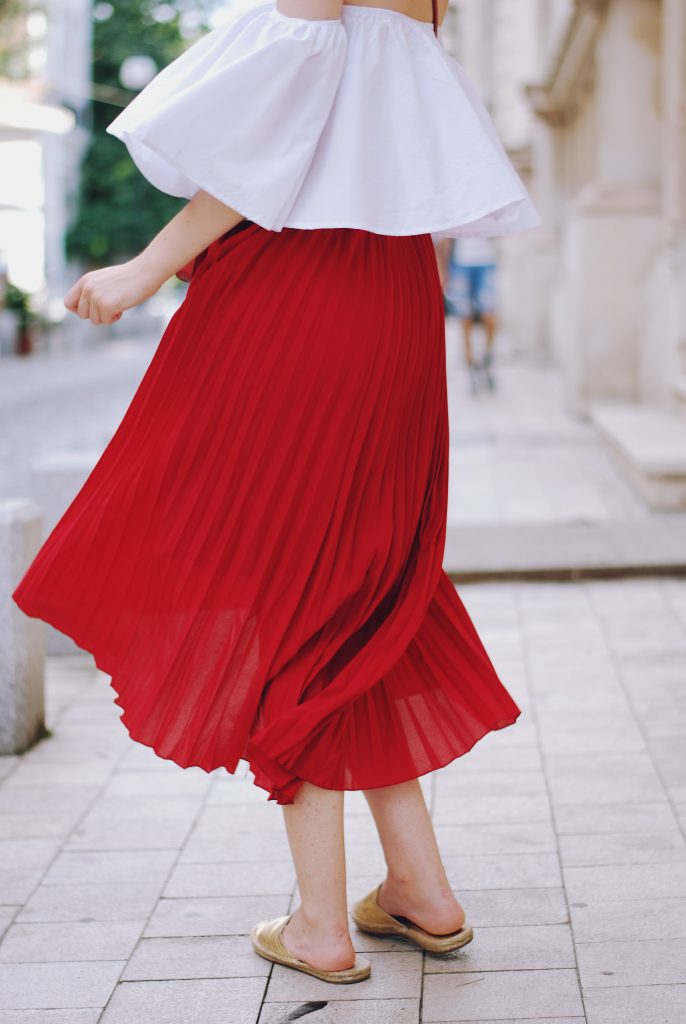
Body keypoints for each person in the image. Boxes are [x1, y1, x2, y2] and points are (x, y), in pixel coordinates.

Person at [11, 0, 541, 985]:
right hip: (389, 298)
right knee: (367, 580)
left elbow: (263, 153)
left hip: (297, 292)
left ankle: (319, 925)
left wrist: (143, 268)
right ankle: (418, 887)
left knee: (290, 586)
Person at [438, 235, 499, 393]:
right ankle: (470, 363)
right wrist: (444, 270)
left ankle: (486, 357)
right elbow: (447, 236)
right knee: (465, 318)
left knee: (490, 316)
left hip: (486, 261)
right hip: (461, 263)